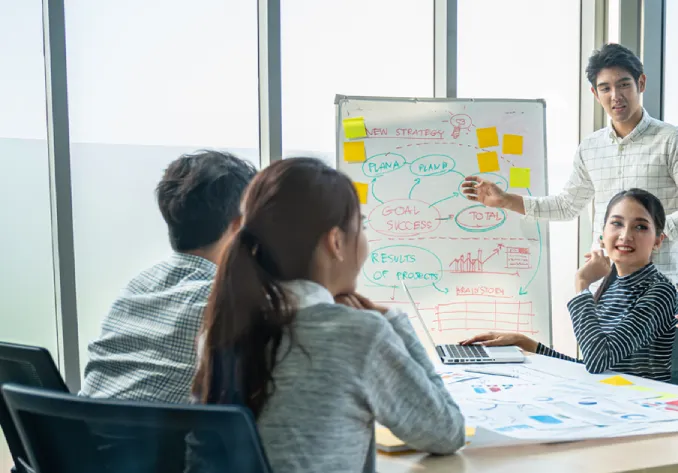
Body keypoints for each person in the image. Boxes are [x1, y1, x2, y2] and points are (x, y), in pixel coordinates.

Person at [191, 158, 465, 473]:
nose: (365, 244)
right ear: (336, 242)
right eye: (361, 226)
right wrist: (394, 322)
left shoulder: (223, 328)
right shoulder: (359, 333)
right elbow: (446, 431)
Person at [461, 43, 678, 284]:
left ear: (641, 83)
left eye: (624, 85)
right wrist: (505, 200)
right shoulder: (591, 147)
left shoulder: (673, 140)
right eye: (605, 88)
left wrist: (649, 234)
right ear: (595, 94)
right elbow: (566, 206)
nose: (616, 96)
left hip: (657, 286)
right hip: (604, 285)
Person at [80, 150, 256, 403]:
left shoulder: (138, 287)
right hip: (161, 442)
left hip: (79, 437)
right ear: (238, 225)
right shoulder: (223, 300)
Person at [461, 189, 678, 381]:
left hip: (640, 404)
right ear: (603, 234)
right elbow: (590, 368)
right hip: (609, 395)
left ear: (658, 241)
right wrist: (526, 343)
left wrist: (582, 283)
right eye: (617, 223)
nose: (625, 235)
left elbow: (597, 360)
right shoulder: (612, 285)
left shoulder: (659, 291)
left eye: (640, 227)